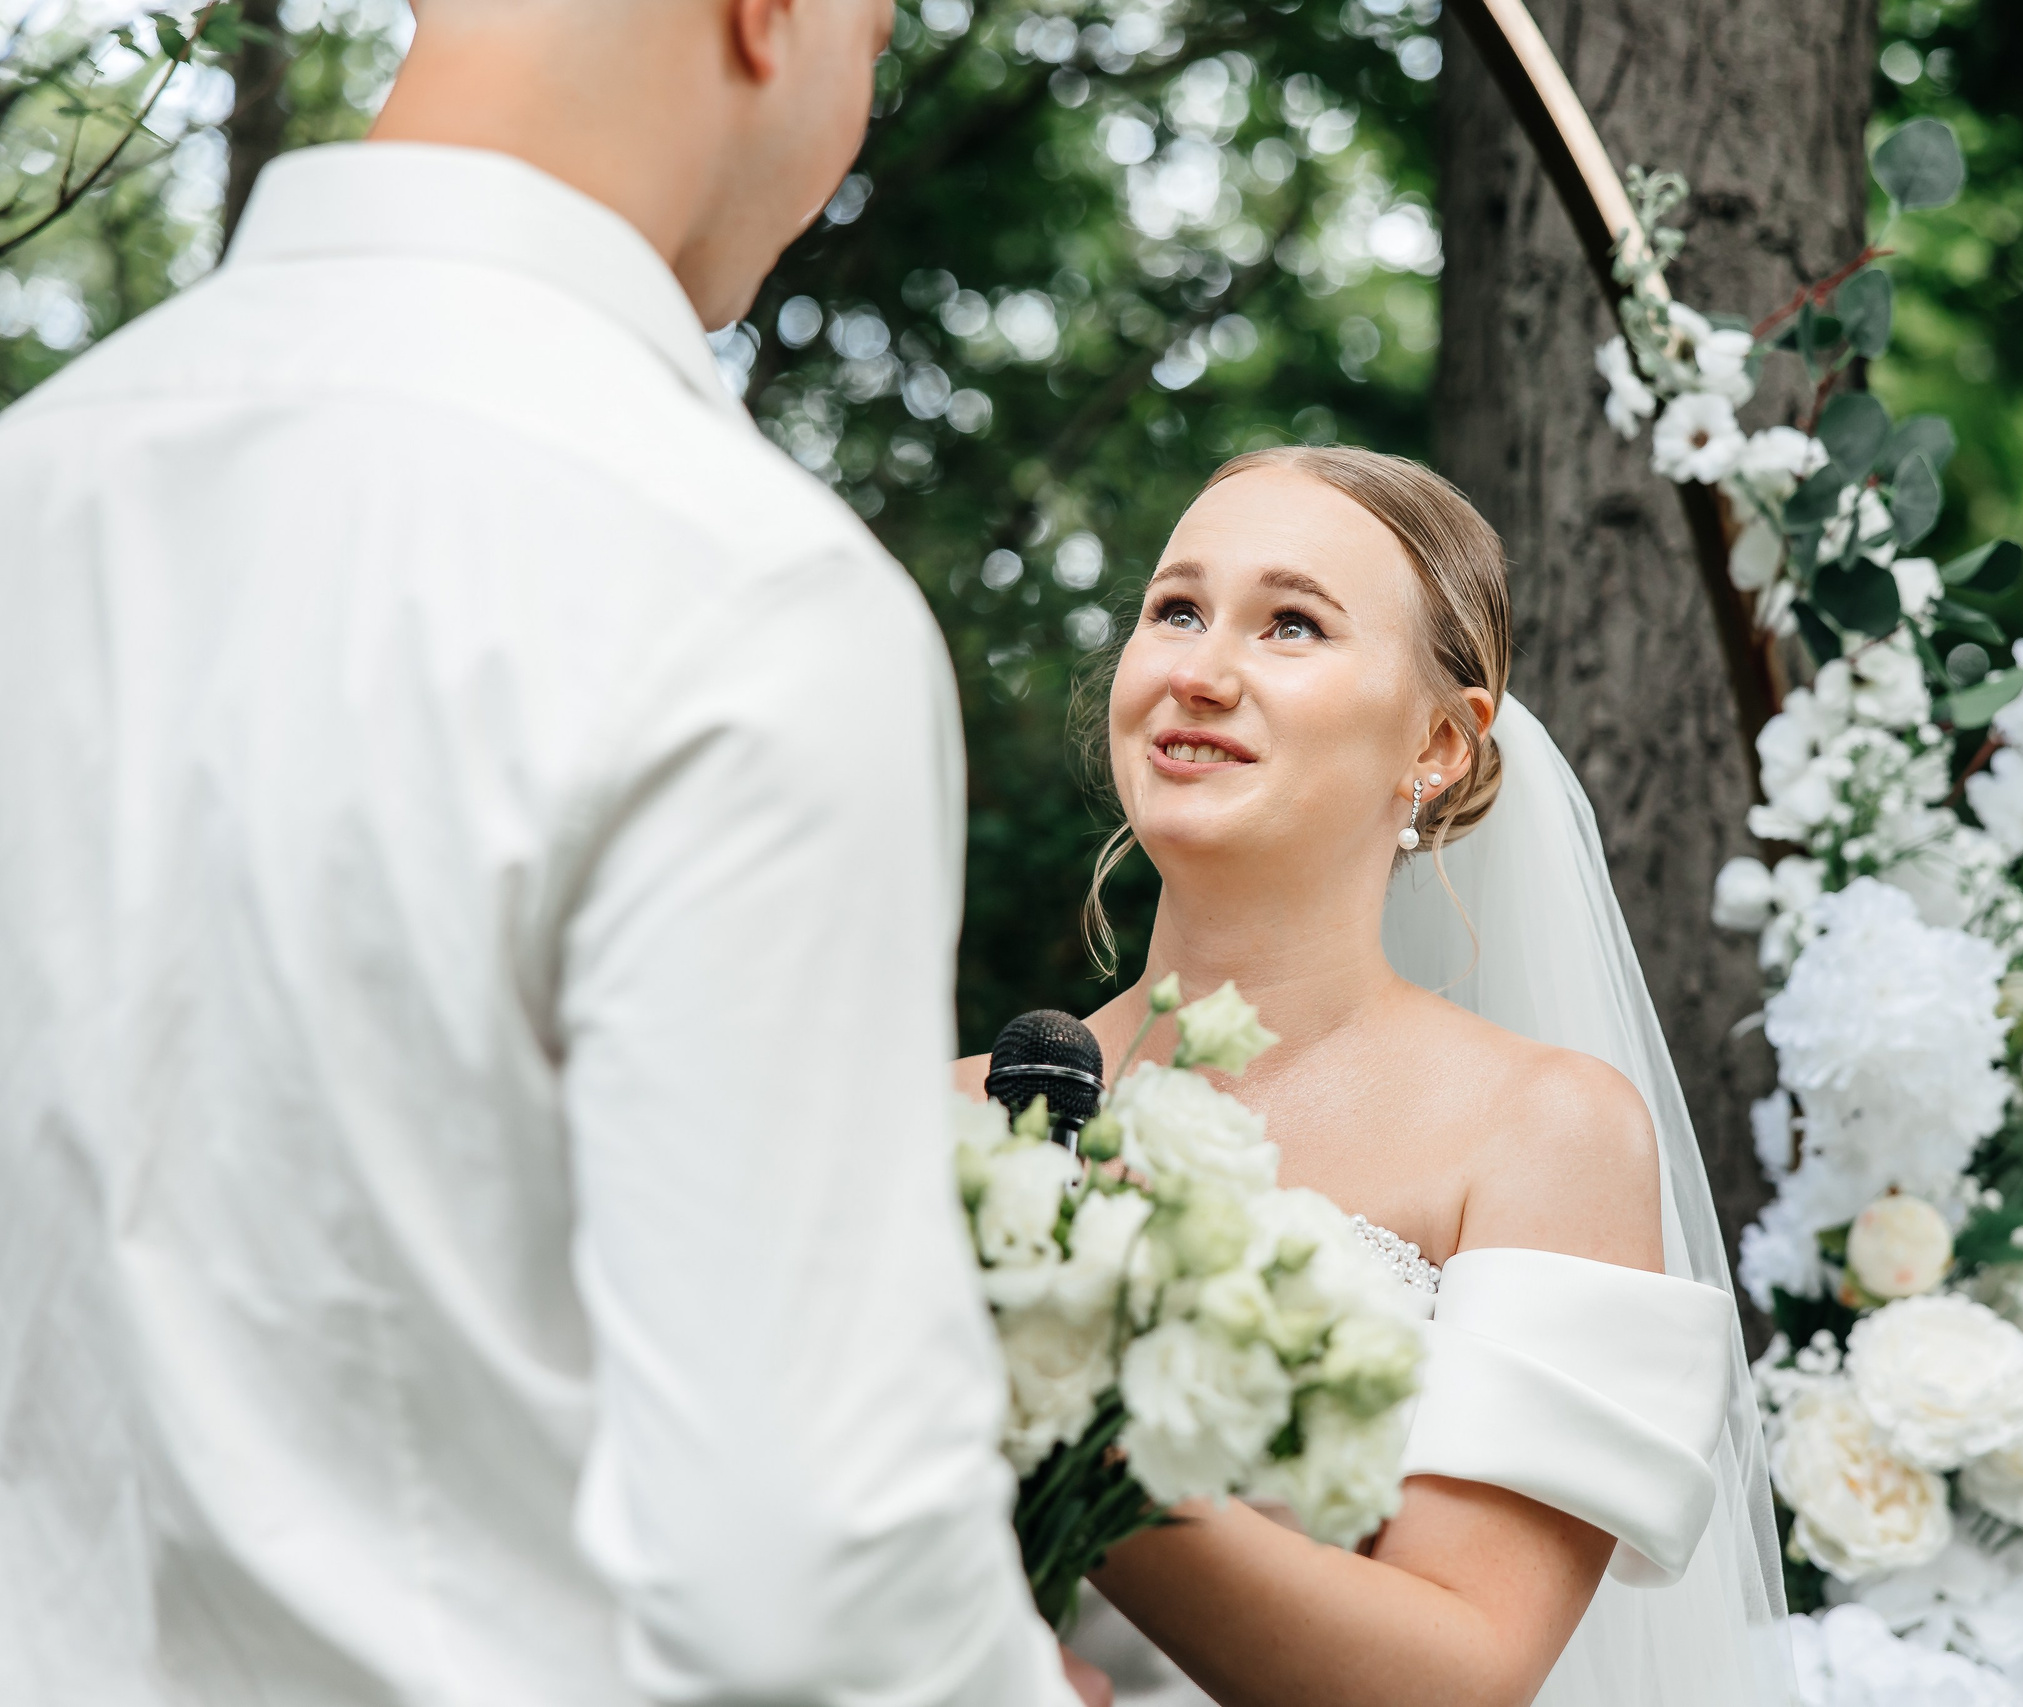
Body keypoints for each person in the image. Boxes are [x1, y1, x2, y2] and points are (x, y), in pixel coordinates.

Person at [0, 2, 1101, 1702]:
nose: (861, 112)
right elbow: (807, 1592)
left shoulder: (40, 485)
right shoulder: (740, 595)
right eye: (876, 35)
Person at [959, 446, 1797, 1706]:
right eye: (1175, 610)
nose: (1199, 670)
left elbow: (1458, 1671)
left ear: (1438, 745)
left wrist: (1060, 1422)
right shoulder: (946, 1115)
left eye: (1290, 624)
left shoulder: (1539, 1133)